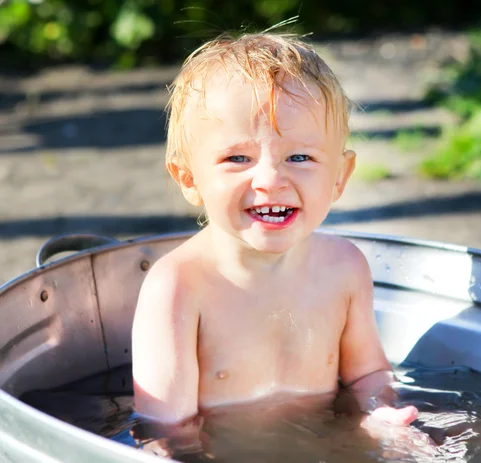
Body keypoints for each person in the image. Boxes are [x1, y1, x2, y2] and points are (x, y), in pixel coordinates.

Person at [131, 31, 424, 456]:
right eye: (238, 158)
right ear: (189, 179)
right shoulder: (178, 287)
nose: (270, 180)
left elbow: (367, 375)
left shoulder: (344, 268)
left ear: (340, 177)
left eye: (299, 157)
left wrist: (378, 412)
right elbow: (165, 430)